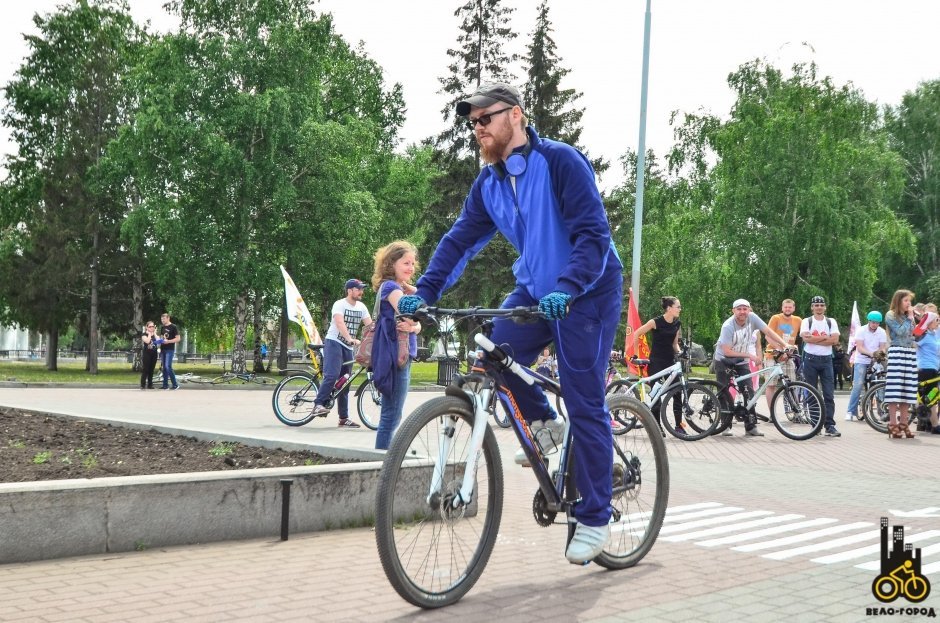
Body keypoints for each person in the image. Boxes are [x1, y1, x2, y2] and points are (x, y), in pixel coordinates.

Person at [397, 82, 623, 565]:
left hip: (588, 288)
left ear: (516, 116)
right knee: (494, 358)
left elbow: (593, 234)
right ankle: (546, 427)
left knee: (585, 399)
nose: (477, 129)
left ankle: (596, 515)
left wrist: (569, 285)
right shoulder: (489, 184)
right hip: (536, 288)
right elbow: (459, 242)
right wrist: (426, 292)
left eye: (485, 119)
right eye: (472, 122)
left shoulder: (560, 162)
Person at [371, 241, 421, 450]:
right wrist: (416, 320)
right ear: (391, 264)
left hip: (400, 356)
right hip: (394, 358)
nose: (410, 267)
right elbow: (411, 311)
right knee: (390, 417)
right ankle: (382, 467)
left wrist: (414, 327)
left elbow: (415, 324)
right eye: (405, 263)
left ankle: (383, 464)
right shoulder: (391, 287)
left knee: (392, 415)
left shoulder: (398, 288)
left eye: (412, 263)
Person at [713, 299, 788, 437]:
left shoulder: (752, 318)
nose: (742, 312)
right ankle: (724, 426)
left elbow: (769, 331)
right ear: (733, 311)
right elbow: (727, 351)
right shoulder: (728, 326)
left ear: (749, 310)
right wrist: (750, 355)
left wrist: (785, 345)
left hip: (742, 361)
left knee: (749, 393)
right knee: (725, 393)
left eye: (745, 309)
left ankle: (751, 426)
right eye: (739, 309)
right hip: (723, 360)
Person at [310, 279, 373, 427]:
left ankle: (343, 418)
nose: (361, 292)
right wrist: (350, 338)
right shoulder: (339, 304)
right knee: (332, 375)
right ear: (350, 290)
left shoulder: (362, 307)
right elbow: (339, 323)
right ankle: (318, 405)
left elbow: (370, 326)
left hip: (348, 347)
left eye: (362, 289)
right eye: (358, 289)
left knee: (346, 382)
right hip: (334, 343)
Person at [632, 297, 684, 435]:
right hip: (656, 362)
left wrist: (680, 352)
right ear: (669, 308)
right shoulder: (655, 322)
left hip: (670, 362)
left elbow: (674, 344)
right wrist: (636, 355)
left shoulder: (677, 323)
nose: (680, 309)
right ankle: (657, 428)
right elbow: (637, 333)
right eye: (678, 307)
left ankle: (679, 425)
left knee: (677, 392)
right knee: (657, 395)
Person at [799, 296, 841, 437]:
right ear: (812, 307)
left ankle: (830, 425)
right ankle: (815, 425)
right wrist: (825, 339)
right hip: (810, 360)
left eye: (821, 305)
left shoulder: (831, 321)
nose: (819, 307)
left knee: (828, 394)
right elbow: (805, 338)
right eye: (816, 305)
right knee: (812, 394)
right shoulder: (807, 321)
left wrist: (814, 339)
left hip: (826, 360)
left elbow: (835, 340)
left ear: (825, 307)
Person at [883, 289, 918, 439]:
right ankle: (892, 423)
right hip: (897, 352)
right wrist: (910, 318)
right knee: (895, 389)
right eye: (906, 301)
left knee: (907, 390)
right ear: (898, 301)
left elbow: (913, 334)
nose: (909, 304)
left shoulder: (909, 316)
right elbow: (900, 332)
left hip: (909, 352)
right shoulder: (890, 315)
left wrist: (917, 320)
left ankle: (904, 423)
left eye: (910, 301)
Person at [845, 311, 888, 421]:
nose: (875, 325)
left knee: (880, 383)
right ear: (869, 321)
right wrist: (871, 354)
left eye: (877, 323)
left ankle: (881, 411)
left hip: (876, 360)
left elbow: (882, 347)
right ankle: (850, 411)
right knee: (858, 384)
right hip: (862, 360)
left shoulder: (882, 332)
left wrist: (880, 353)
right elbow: (859, 348)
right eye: (873, 322)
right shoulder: (861, 330)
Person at [763, 299, 802, 410]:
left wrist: (791, 350)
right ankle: (772, 413)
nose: (787, 309)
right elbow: (767, 336)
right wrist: (781, 349)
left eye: (790, 307)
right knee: (771, 385)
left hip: (787, 357)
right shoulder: (776, 318)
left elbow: (799, 338)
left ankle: (795, 411)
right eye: (785, 307)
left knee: (792, 384)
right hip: (773, 355)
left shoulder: (798, 320)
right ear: (782, 308)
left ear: (794, 308)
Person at [914, 311, 940, 434]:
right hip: (926, 369)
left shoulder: (933, 334)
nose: (938, 322)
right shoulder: (924, 335)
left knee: (928, 397)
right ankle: (935, 425)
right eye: (936, 320)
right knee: (932, 397)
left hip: (933, 368)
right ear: (929, 323)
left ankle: (924, 423)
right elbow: (914, 339)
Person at [159, 313, 181, 390]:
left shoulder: (174, 327)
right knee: (164, 367)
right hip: (163, 349)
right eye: (161, 319)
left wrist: (168, 341)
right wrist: (160, 341)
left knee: (168, 366)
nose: (162, 320)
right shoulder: (162, 327)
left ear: (168, 318)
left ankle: (175, 384)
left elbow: (178, 339)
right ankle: (165, 385)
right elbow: (162, 337)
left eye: (164, 319)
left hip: (170, 349)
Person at [140, 321, 159, 389]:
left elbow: (159, 340)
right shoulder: (144, 334)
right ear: (146, 327)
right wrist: (149, 334)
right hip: (147, 353)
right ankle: (143, 384)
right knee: (146, 369)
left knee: (152, 369)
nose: (151, 328)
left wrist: (155, 333)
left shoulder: (154, 334)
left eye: (153, 326)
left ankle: (150, 384)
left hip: (154, 353)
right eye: (150, 327)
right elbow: (147, 341)